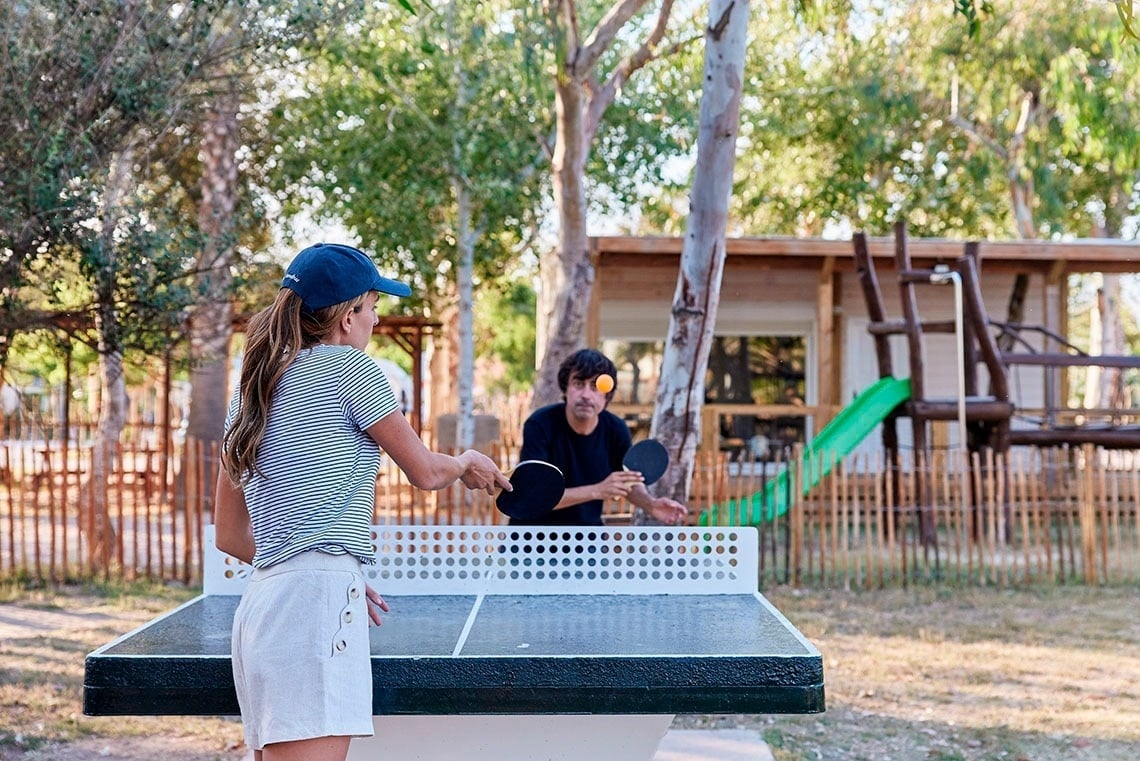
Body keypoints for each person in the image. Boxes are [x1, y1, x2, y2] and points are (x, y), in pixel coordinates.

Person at [212, 242, 510, 761]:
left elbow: (230, 536)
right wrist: (465, 461)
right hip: (313, 612)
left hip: (261, 609)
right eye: (372, 307)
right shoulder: (354, 369)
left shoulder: (251, 389)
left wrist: (323, 564)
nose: (375, 320)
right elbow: (426, 472)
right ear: (347, 316)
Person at [515, 348, 687, 526]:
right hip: (533, 535)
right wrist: (597, 490)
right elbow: (535, 496)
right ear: (566, 388)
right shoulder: (540, 425)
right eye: (579, 384)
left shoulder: (616, 429)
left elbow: (627, 481)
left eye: (596, 386)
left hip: (587, 535)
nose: (586, 395)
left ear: (607, 395)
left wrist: (651, 505)